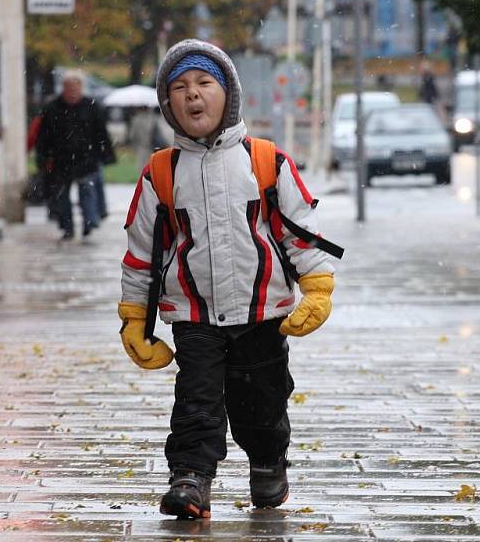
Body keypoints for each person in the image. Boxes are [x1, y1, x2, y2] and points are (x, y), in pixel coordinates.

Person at [118, 39, 340, 519]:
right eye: (179, 87)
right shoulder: (161, 173)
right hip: (193, 314)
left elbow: (301, 234)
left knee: (261, 403)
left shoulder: (266, 162)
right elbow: (141, 255)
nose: (192, 95)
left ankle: (267, 463)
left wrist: (317, 287)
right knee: (196, 402)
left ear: (228, 95)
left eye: (203, 83)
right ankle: (191, 479)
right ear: (168, 103)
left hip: (264, 314)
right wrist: (135, 318)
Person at [35, 70, 113, 240]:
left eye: (75, 88)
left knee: (87, 191)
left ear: (81, 88)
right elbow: (43, 136)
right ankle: (67, 226)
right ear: (63, 88)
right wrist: (42, 157)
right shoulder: (52, 108)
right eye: (69, 88)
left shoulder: (91, 107)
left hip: (87, 159)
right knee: (62, 196)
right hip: (60, 160)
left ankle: (88, 223)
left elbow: (101, 133)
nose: (72, 92)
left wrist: (105, 154)